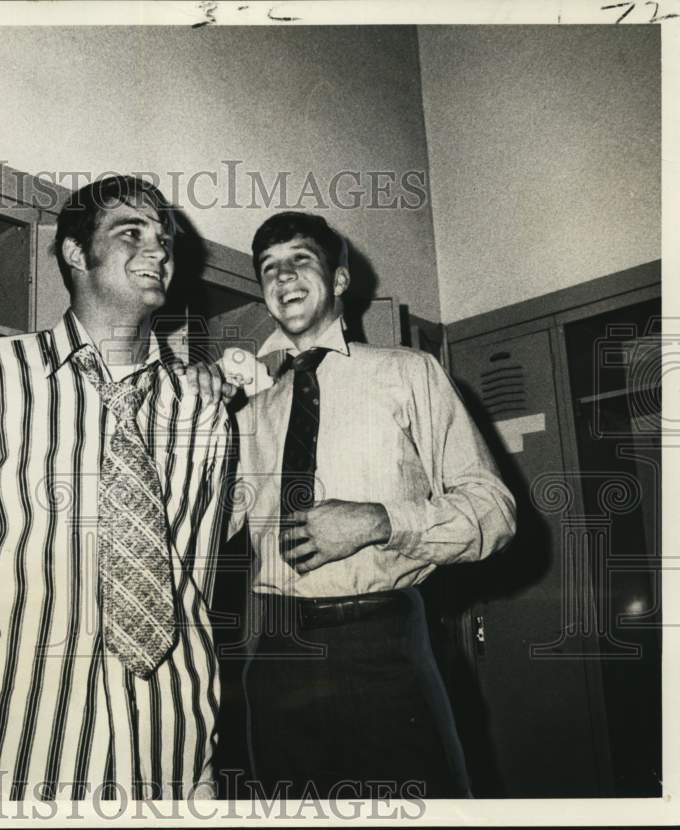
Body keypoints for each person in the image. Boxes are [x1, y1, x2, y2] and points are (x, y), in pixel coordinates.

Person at [0, 176, 232, 801]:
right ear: (75, 252)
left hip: (171, 747)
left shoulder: (200, 408)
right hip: (19, 747)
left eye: (165, 240)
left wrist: (199, 746)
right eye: (133, 233)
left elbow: (195, 579)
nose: (159, 251)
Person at [224, 211, 516, 799]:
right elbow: (199, 523)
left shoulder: (410, 374)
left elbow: (495, 509)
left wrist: (380, 522)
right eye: (268, 268)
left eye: (300, 259)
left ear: (338, 279)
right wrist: (194, 411)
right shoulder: (249, 414)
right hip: (276, 651)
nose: (283, 277)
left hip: (383, 645)